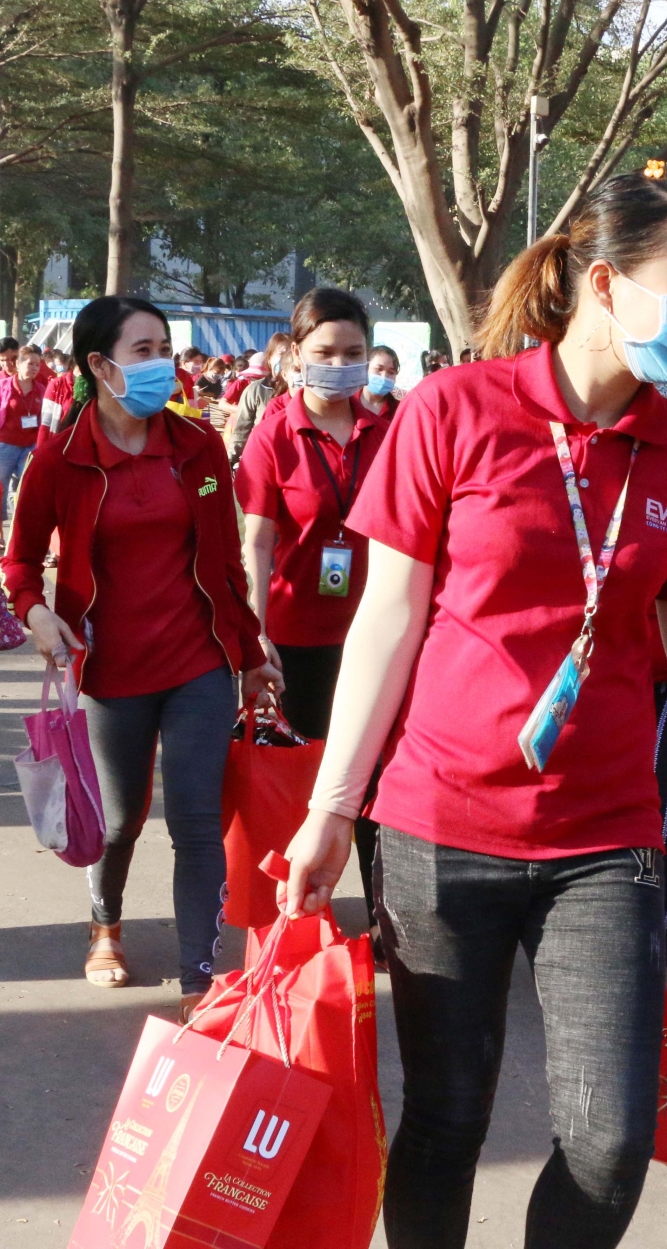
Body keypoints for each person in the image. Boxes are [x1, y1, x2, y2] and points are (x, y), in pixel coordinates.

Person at [277, 168, 667, 1249]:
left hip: (609, 836)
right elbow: (387, 624)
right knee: (448, 1117)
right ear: (604, 281)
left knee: (608, 1140)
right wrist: (330, 809)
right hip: (437, 825)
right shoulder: (456, 411)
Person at [1, 295, 278, 1021]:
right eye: (145, 350)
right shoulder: (59, 460)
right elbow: (21, 562)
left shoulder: (199, 447)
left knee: (196, 821)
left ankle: (200, 982)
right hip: (108, 673)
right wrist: (36, 614)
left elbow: (224, 566)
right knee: (120, 821)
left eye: (165, 348)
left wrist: (251, 654)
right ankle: (105, 925)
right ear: (100, 365)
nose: (164, 365)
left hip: (198, 665)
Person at [237, 288, 391, 946]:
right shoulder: (274, 431)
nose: (340, 364)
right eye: (325, 352)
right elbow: (257, 541)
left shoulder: (388, 430)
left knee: (378, 787)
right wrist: (257, 633)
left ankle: (390, 919)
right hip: (295, 639)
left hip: (374, 637)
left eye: (353, 352)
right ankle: (298, 918)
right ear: (296, 355)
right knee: (301, 783)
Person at [0, 342, 45, 534]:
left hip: (29, 446)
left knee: (25, 488)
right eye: (30, 364)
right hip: (2, 445)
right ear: (18, 364)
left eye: (37, 365)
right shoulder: (2, 386)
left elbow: (44, 420)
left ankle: (19, 531)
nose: (34, 368)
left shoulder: (40, 389)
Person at [225, 333, 294, 462]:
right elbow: (241, 429)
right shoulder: (255, 390)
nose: (286, 359)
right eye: (281, 354)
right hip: (263, 457)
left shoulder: (300, 390)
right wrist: (230, 460)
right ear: (269, 358)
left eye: (290, 354)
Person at [363, 344, 401, 418]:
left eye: (391, 372)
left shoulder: (398, 410)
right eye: (379, 369)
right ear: (366, 368)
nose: (384, 377)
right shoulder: (348, 404)